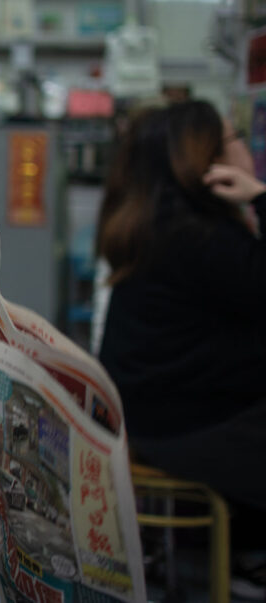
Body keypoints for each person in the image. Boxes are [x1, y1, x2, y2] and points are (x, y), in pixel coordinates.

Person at [95, 100, 266, 592]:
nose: (246, 146)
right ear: (207, 158)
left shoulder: (154, 226)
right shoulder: (202, 238)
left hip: (150, 423)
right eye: (235, 137)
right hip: (185, 433)